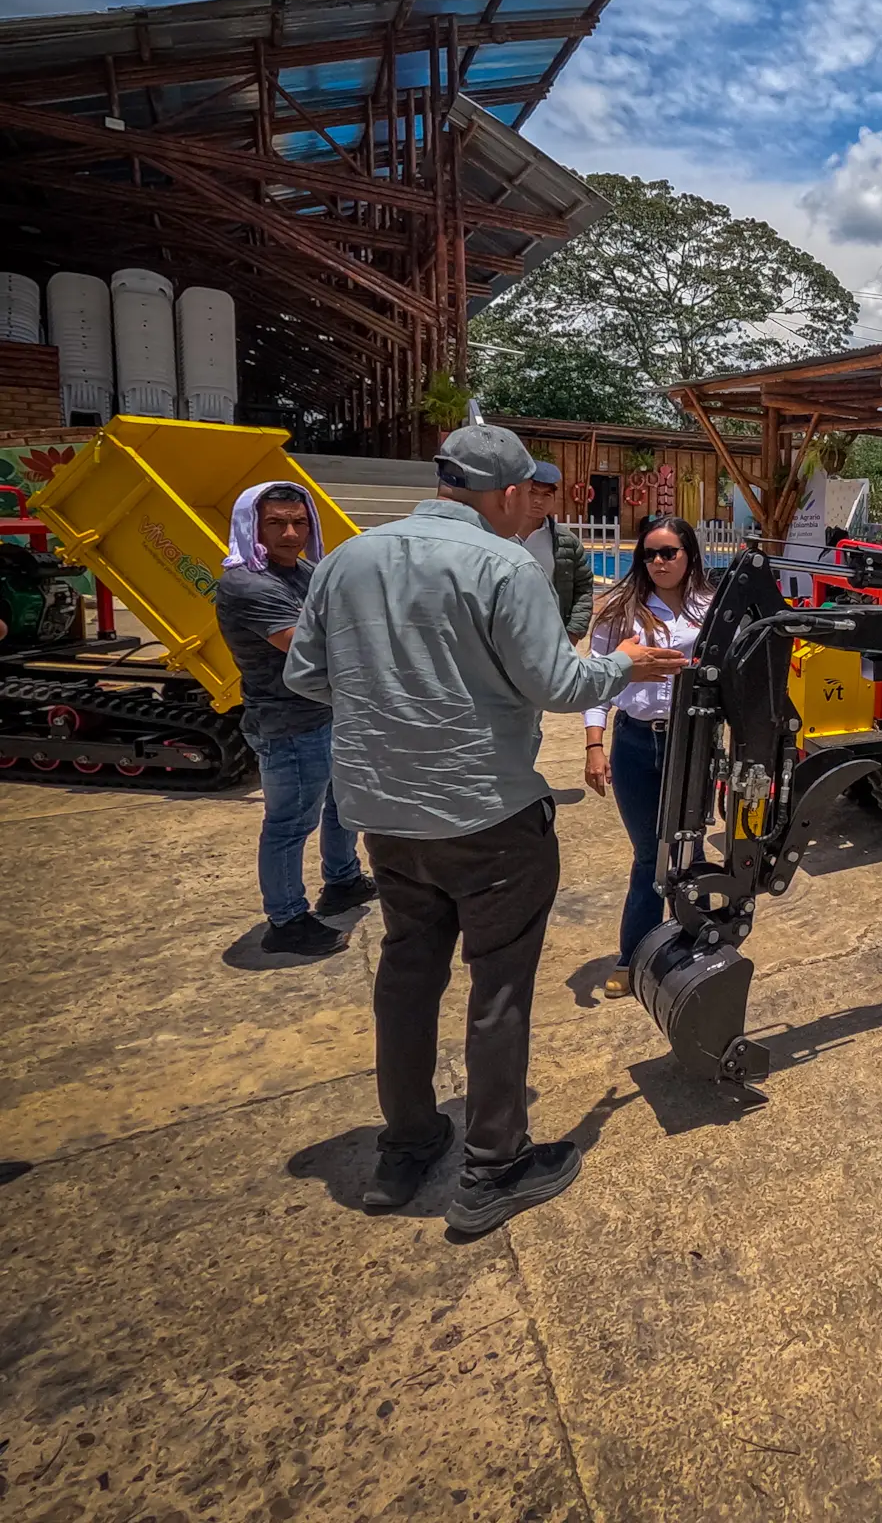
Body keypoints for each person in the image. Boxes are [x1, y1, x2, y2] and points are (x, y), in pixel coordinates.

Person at [284, 424, 687, 1235]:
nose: (529, 516)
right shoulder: (503, 564)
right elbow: (558, 683)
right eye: (527, 501)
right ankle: (493, 1167)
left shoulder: (346, 560)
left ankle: (406, 1145)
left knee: (407, 976)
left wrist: (393, 717)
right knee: (497, 989)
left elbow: (305, 673)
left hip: (388, 821)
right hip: (488, 815)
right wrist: (628, 667)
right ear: (506, 494)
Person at [214, 482, 375, 956]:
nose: (290, 533)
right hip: (288, 722)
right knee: (289, 823)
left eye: (299, 522)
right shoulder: (247, 584)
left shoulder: (302, 570)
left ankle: (342, 879)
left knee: (342, 804)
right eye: (276, 523)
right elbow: (311, 647)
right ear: (252, 526)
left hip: (327, 711)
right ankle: (285, 919)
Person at [583, 516, 712, 998]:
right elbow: (597, 683)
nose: (658, 561)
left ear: (689, 554)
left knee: (691, 846)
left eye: (668, 552)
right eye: (649, 554)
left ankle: (694, 939)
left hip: (692, 739)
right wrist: (594, 745)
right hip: (637, 741)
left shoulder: (709, 608)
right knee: (648, 852)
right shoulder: (621, 612)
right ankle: (634, 953)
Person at [520, 463, 594, 640]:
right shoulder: (497, 535)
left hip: (551, 634)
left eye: (546, 495)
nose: (538, 500)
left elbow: (583, 588)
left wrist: (573, 633)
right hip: (503, 633)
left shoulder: (566, 542)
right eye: (532, 492)